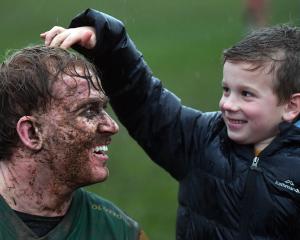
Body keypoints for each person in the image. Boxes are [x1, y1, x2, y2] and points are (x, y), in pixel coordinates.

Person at [41, 9, 300, 239]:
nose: (228, 104)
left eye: (246, 94)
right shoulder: (204, 138)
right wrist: (109, 46)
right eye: (226, 90)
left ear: (291, 106)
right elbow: (146, 102)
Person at [0, 45, 148, 239]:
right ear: (31, 133)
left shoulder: (121, 232)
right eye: (89, 111)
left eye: (103, 108)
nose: (111, 126)